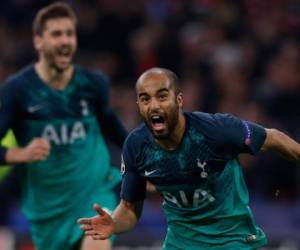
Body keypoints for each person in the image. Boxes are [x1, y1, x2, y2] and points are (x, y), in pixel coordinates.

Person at [78, 67, 300, 250]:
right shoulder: (137, 146)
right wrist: (114, 224)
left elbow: (273, 138)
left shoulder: (216, 130)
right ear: (139, 106)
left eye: (162, 96)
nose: (154, 105)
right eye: (145, 99)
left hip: (233, 241)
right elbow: (129, 209)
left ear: (179, 99)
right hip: (180, 244)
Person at [0, 2, 127, 250]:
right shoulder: (16, 92)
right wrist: (21, 154)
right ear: (39, 41)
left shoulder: (92, 85)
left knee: (96, 242)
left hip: (93, 192)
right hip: (48, 207)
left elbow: (115, 132)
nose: (65, 41)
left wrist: (146, 163)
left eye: (70, 33)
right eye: (56, 34)